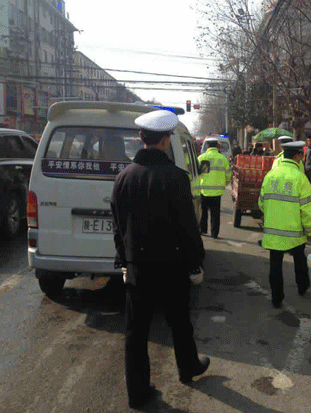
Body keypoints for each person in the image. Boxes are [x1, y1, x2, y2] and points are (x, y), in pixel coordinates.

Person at [110, 110, 210, 409]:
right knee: (179, 320)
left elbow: (118, 225)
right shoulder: (176, 178)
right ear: (165, 141)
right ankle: (188, 367)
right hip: (172, 265)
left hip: (138, 267)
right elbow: (187, 227)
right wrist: (195, 262)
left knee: (136, 331)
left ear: (141, 138)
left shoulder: (123, 177)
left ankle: (137, 392)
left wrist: (123, 260)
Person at [259, 141, 311, 308]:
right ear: (297, 156)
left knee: (275, 266)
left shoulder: (270, 176)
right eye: (301, 155)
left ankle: (276, 298)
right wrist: (309, 230)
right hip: (295, 233)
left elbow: (261, 203)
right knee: (299, 260)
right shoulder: (300, 178)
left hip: (273, 232)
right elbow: (307, 208)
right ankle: (302, 287)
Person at [197, 137, 231, 239]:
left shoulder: (202, 157)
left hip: (204, 190)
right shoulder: (223, 159)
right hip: (217, 192)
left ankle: (203, 230)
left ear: (207, 146)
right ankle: (214, 233)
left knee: (203, 212)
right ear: (217, 146)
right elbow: (228, 175)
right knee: (215, 214)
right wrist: (224, 184)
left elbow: (197, 173)